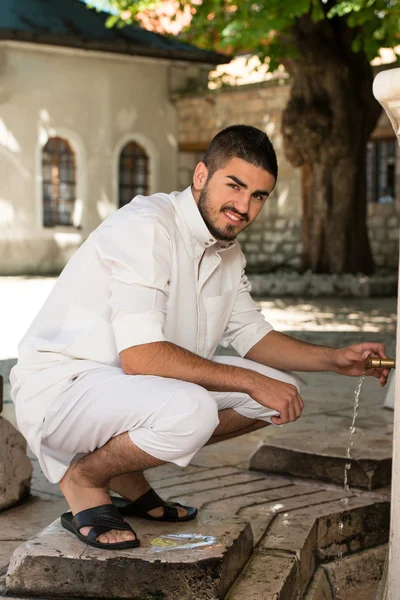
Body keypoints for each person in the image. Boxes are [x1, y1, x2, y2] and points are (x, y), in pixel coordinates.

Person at [10, 125, 389, 550]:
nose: (244, 206)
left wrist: (334, 359)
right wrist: (248, 379)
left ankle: (120, 470)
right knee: (193, 411)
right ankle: (85, 478)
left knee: (281, 390)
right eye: (235, 186)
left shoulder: (227, 252)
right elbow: (141, 356)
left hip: (125, 391)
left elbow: (252, 335)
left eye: (258, 195)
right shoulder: (147, 226)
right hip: (67, 389)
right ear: (201, 176)